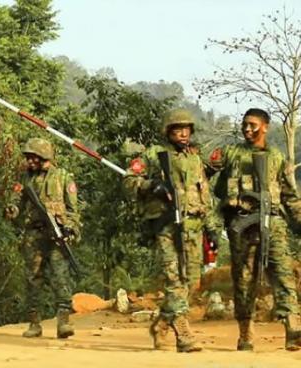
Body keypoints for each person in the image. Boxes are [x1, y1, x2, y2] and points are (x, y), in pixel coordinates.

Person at [123, 109, 221, 352]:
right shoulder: (154, 155)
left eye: (186, 129)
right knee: (174, 279)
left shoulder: (195, 159)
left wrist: (211, 228)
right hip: (167, 226)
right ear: (168, 132)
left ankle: (162, 323)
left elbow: (203, 195)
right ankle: (183, 333)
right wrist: (149, 185)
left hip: (193, 227)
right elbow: (128, 181)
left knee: (191, 282)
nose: (183, 133)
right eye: (177, 129)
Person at [208, 108, 301, 351]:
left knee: (283, 275)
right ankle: (246, 332)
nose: (248, 130)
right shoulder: (231, 153)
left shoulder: (277, 157)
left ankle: (292, 328)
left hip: (273, 223)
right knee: (243, 279)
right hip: (242, 223)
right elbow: (209, 173)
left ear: (266, 127)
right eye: (245, 125)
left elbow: (290, 196)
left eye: (253, 125)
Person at [6, 138, 81, 339]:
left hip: (57, 234)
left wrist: (70, 228)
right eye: (28, 158)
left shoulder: (63, 177)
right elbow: (16, 201)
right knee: (32, 279)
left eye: (33, 157)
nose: (29, 161)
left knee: (60, 276)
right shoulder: (25, 179)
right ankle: (34, 323)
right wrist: (12, 209)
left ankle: (63, 322)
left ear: (43, 156)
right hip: (34, 233)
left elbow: (73, 210)